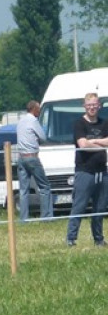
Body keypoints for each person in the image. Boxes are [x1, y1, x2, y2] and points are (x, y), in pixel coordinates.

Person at [65, 92, 108, 247]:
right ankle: (71, 239)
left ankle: (99, 239)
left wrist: (94, 141)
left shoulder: (104, 123)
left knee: (100, 208)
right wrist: (101, 144)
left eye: (94, 104)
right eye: (89, 105)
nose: (92, 107)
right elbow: (82, 145)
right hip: (84, 171)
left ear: (99, 106)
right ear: (84, 106)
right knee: (79, 205)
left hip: (102, 172)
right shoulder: (79, 124)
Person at [16, 100, 52, 221]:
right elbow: (43, 137)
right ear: (34, 109)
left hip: (21, 157)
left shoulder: (21, 121)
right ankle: (46, 217)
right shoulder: (33, 121)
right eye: (38, 109)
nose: (40, 111)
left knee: (23, 190)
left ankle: (23, 219)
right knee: (45, 187)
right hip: (32, 157)